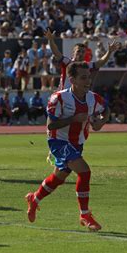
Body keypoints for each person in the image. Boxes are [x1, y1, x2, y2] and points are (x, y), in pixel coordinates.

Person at [25, 62, 110, 232]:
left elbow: (106, 109)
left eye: (89, 77)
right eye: (83, 78)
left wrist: (100, 122)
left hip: (76, 143)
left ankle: (34, 199)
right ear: (72, 80)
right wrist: (73, 119)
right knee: (85, 172)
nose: (88, 81)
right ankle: (85, 215)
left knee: (58, 178)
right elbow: (50, 126)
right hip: (59, 142)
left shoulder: (93, 98)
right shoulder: (60, 98)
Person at [45, 29, 119, 90]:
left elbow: (100, 63)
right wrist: (51, 40)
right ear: (73, 52)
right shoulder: (68, 62)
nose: (80, 53)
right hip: (64, 97)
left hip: (78, 97)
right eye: (78, 51)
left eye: (83, 52)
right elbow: (56, 53)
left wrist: (109, 52)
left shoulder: (86, 65)